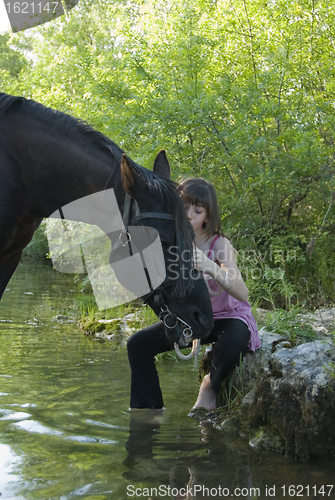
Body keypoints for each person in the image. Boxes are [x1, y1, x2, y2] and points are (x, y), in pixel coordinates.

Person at [126, 177, 260, 410]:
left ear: (207, 216)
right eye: (183, 207)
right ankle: (147, 409)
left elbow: (242, 291)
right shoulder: (173, 243)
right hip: (194, 318)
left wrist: (210, 266)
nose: (189, 215)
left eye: (197, 211)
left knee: (233, 341)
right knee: (137, 344)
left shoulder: (219, 244)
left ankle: (210, 386)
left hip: (228, 317)